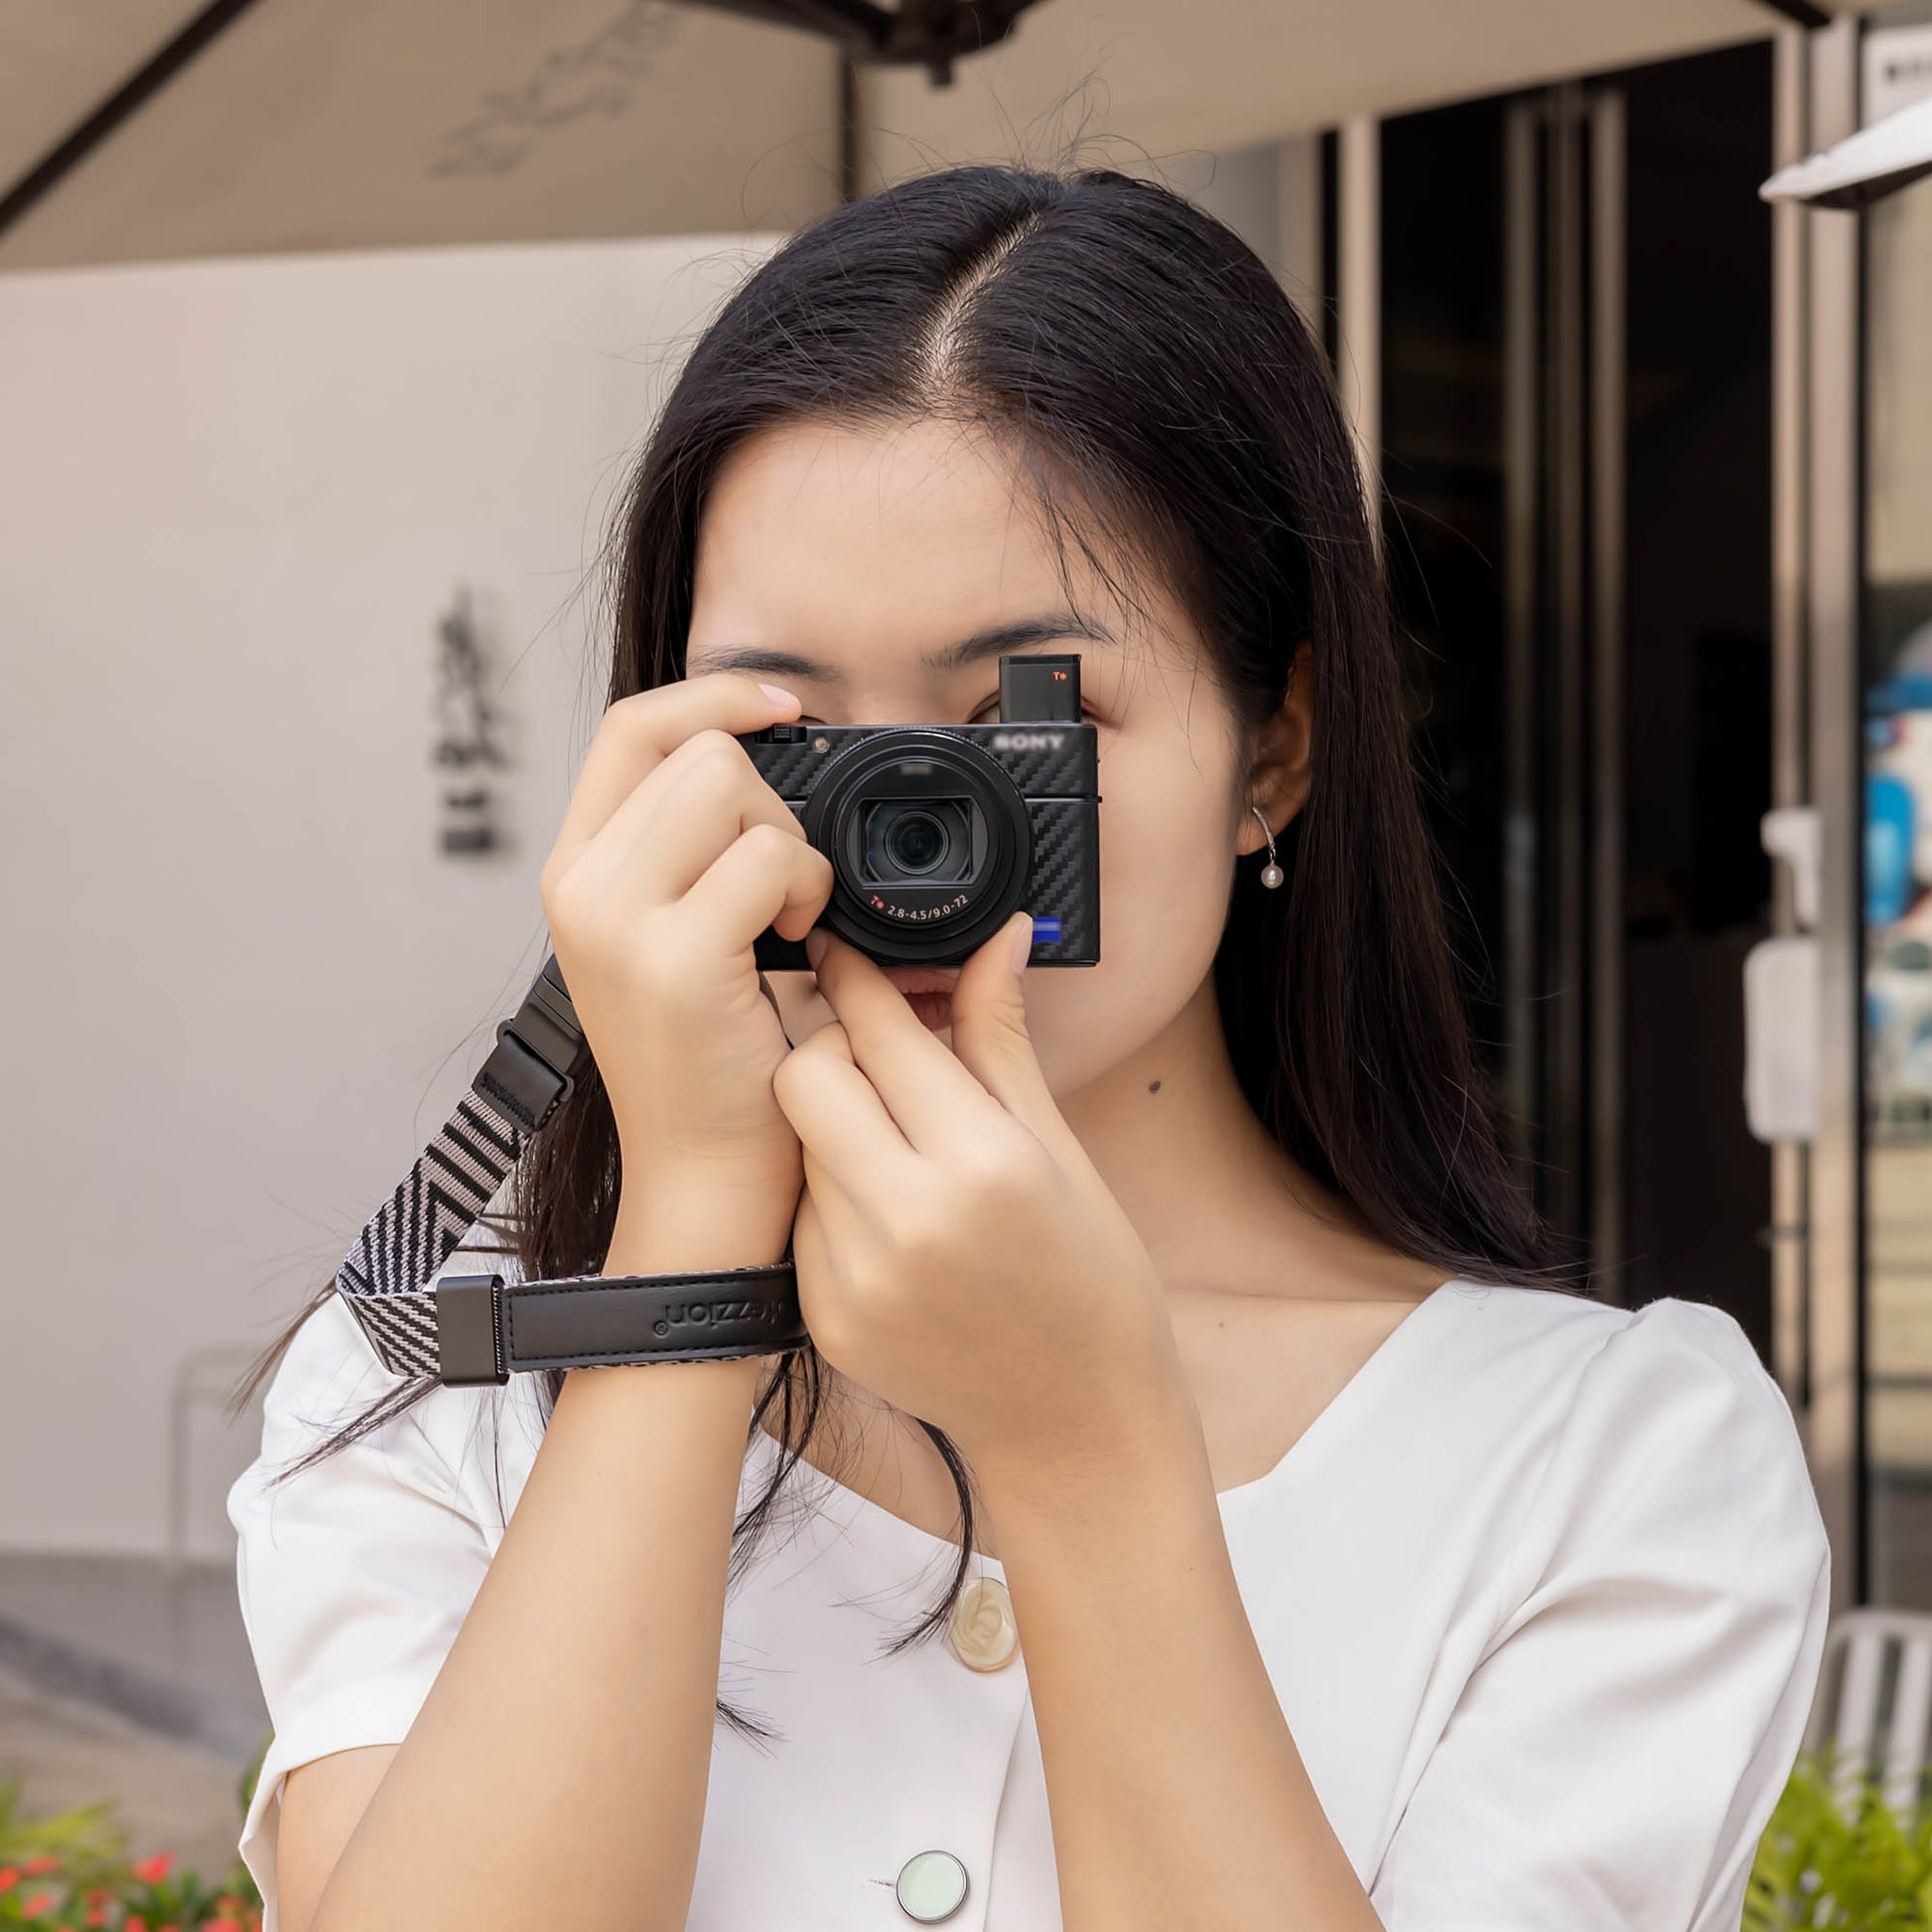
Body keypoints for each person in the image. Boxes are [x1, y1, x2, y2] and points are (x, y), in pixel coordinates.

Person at [227, 162, 1831, 1932]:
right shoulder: (444, 1381)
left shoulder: (1610, 1467)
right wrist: (687, 1240)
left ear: (1273, 747)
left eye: (1023, 718)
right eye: (793, 726)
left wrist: (1087, 1452)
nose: (907, 824)